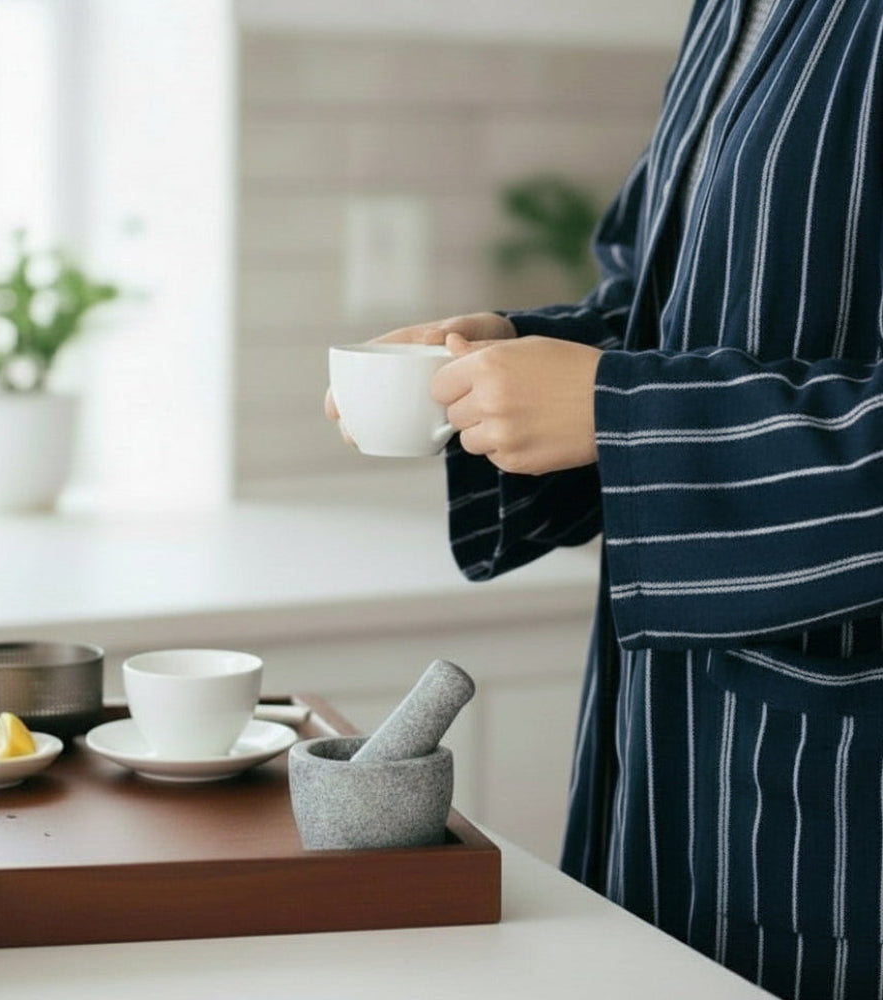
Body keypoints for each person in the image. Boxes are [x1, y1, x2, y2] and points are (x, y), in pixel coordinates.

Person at [325, 1, 883, 997]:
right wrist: (507, 357)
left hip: (838, 820)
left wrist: (617, 415)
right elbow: (664, 304)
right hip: (664, 776)